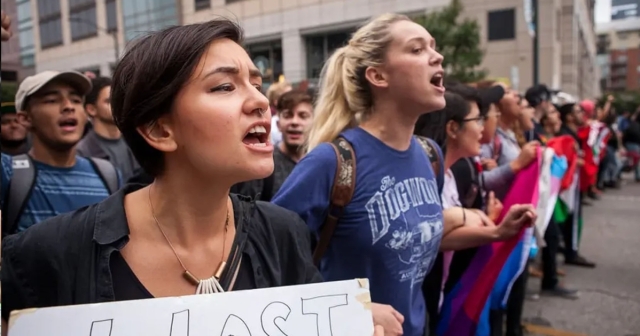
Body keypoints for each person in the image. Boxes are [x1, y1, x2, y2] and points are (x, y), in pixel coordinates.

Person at [1, 19, 325, 334]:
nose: (261, 101)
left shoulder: (284, 233)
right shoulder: (46, 253)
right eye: (225, 86)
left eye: (256, 84)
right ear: (159, 129)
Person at [272, 14, 535, 336]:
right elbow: (269, 267)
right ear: (378, 76)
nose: (436, 56)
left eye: (434, 48)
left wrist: (496, 233)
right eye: (417, 49)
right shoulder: (331, 163)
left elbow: (418, 239)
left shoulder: (430, 155)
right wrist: (353, 309)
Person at [1, 71, 120, 235]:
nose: (69, 106)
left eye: (76, 100)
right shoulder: (8, 174)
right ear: (25, 119)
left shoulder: (108, 174)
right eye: (51, 100)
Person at [231, 90, 314, 200]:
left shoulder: (318, 162)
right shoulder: (264, 165)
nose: (295, 122)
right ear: (278, 124)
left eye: (303, 116)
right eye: (288, 115)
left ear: (314, 122)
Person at [77, 77, 141, 182]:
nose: (117, 105)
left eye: (120, 100)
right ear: (91, 109)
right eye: (109, 101)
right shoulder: (83, 152)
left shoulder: (137, 141)